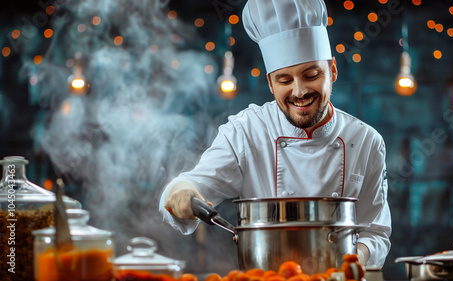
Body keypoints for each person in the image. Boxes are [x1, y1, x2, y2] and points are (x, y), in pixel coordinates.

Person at [159, 0, 391, 267]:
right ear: (270, 83)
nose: (299, 91)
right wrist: (181, 190)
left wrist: (352, 260)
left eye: (311, 74)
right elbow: (191, 186)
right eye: (284, 80)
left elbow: (376, 232)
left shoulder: (366, 141)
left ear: (333, 71)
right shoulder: (247, 131)